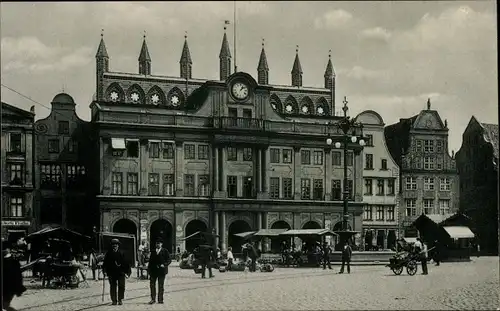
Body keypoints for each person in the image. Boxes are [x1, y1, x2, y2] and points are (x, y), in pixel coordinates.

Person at [103, 239, 131, 306]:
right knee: (113, 286)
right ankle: (114, 300)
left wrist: (128, 272)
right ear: (112, 246)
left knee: (121, 286)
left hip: (121, 272)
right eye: (113, 245)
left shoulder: (122, 253)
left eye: (116, 245)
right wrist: (104, 271)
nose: (115, 246)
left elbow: (126, 263)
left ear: (118, 246)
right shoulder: (108, 253)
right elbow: (105, 263)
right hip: (112, 273)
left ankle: (120, 299)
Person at [2, 241, 26, 311]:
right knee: (5, 306)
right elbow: (18, 276)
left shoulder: (13, 262)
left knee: (5, 306)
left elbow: (17, 276)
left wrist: (18, 288)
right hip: (9, 288)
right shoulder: (14, 261)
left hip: (8, 288)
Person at [148, 238, 171, 305]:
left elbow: (169, 260)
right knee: (152, 285)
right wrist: (149, 270)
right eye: (157, 243)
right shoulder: (153, 251)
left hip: (162, 271)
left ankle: (160, 299)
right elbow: (150, 262)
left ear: (161, 244)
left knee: (161, 286)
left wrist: (164, 265)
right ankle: (153, 299)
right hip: (153, 271)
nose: (158, 244)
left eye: (159, 243)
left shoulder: (165, 251)